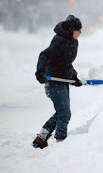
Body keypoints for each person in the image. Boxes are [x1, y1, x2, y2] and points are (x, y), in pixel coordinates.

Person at [32, 15, 83, 149]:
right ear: (72, 29)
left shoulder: (72, 41)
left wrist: (74, 77)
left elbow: (66, 63)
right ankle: (61, 142)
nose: (80, 32)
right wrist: (40, 72)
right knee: (65, 114)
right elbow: (44, 55)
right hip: (53, 82)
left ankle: (41, 137)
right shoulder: (59, 40)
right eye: (78, 29)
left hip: (62, 82)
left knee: (61, 113)